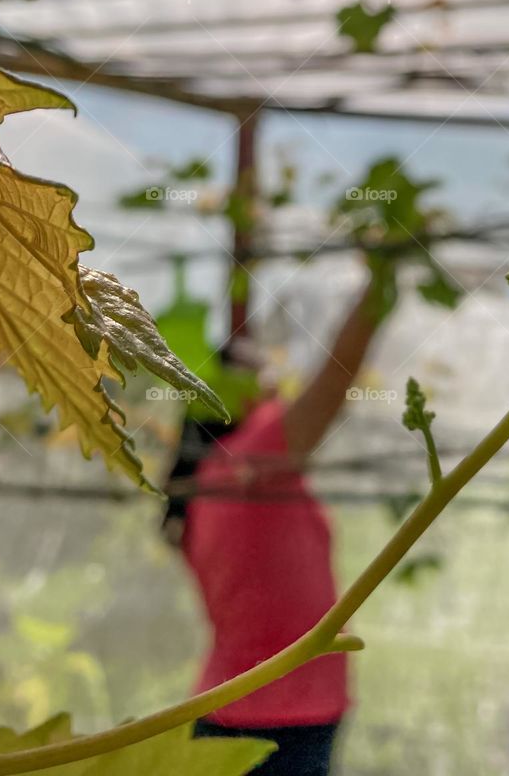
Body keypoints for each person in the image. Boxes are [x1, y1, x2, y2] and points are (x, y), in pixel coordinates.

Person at [165, 273, 392, 776]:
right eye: (257, 376)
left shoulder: (204, 481)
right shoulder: (253, 461)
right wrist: (383, 277)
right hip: (287, 717)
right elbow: (334, 381)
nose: (272, 386)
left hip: (229, 706)